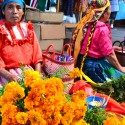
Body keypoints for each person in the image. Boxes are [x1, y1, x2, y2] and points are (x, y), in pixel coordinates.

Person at [71, 0, 125, 83]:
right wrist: (120, 68)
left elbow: (91, 46)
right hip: (95, 67)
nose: (110, 12)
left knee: (113, 70)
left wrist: (111, 47)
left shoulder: (86, 24)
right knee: (117, 76)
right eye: (109, 9)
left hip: (82, 63)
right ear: (104, 13)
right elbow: (109, 54)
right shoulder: (102, 28)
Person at [0, 0, 44, 86]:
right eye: (10, 7)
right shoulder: (1, 30)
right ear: (3, 11)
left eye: (18, 8)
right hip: (5, 74)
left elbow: (37, 55)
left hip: (28, 72)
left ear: (23, 11)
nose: (15, 12)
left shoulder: (28, 29)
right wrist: (9, 76)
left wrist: (37, 75)